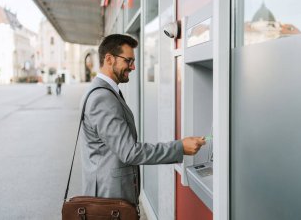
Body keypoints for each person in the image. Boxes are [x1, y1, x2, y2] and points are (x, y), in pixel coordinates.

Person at [79, 34, 206, 207]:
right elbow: (130, 152)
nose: (133, 67)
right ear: (109, 59)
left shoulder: (101, 91)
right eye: (128, 60)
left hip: (108, 195)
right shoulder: (103, 98)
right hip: (109, 200)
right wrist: (180, 147)